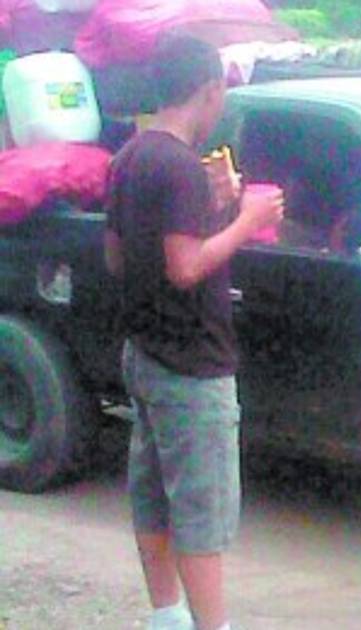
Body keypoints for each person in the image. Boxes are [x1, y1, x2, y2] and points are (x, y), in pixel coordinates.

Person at [103, 36, 284, 630]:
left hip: (144, 350)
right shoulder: (179, 165)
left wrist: (213, 208)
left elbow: (116, 257)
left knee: (153, 497)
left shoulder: (130, 156)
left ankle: (167, 617)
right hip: (191, 361)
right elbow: (184, 267)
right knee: (201, 510)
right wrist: (249, 221)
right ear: (210, 90)